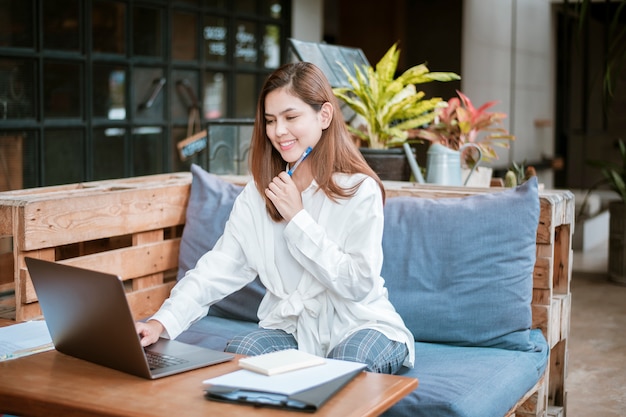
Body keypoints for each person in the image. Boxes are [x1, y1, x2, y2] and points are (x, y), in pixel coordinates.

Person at [135, 61, 415, 374]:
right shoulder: (259, 193)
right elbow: (218, 268)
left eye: (290, 117)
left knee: (345, 363)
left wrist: (298, 219)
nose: (278, 131)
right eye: (270, 120)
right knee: (242, 354)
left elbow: (358, 285)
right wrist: (162, 321)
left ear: (324, 116)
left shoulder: (359, 190)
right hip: (292, 331)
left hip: (360, 325)